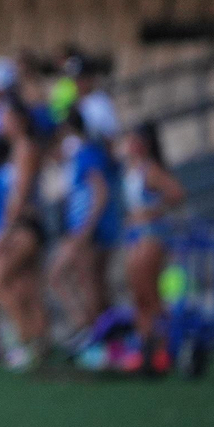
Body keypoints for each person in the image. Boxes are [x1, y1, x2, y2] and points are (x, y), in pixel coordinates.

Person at [0, 98, 47, 370]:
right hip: (24, 225)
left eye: (6, 118)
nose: (1, 123)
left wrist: (5, 230)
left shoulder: (25, 149)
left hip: (23, 226)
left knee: (1, 283)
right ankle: (38, 343)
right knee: (25, 286)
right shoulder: (18, 150)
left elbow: (21, 194)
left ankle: (25, 341)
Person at [49, 108, 121, 346]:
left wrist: (87, 228)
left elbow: (100, 192)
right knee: (89, 281)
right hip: (83, 228)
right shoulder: (82, 154)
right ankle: (98, 332)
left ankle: (90, 329)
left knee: (80, 280)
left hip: (86, 230)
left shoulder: (87, 153)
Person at [119, 121, 185, 371]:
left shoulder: (151, 170)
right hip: (135, 236)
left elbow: (177, 194)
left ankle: (164, 344)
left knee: (150, 293)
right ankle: (145, 343)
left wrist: (151, 211)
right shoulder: (132, 169)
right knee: (138, 294)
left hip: (151, 235)